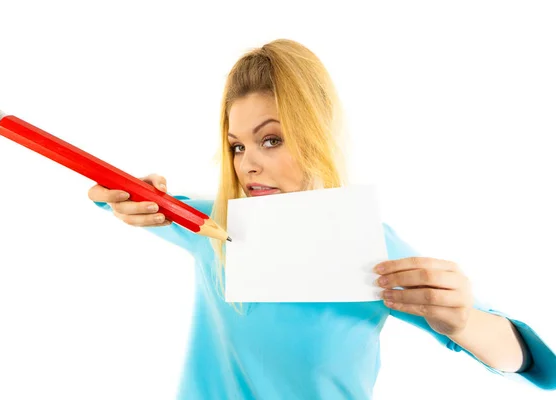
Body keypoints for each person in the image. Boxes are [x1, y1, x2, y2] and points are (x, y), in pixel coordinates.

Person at [87, 39, 555, 399]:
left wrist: (463, 321)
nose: (247, 163)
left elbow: (533, 362)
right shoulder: (212, 224)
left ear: (318, 134)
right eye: (237, 146)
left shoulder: (366, 246)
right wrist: (125, 199)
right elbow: (116, 195)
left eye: (271, 140)